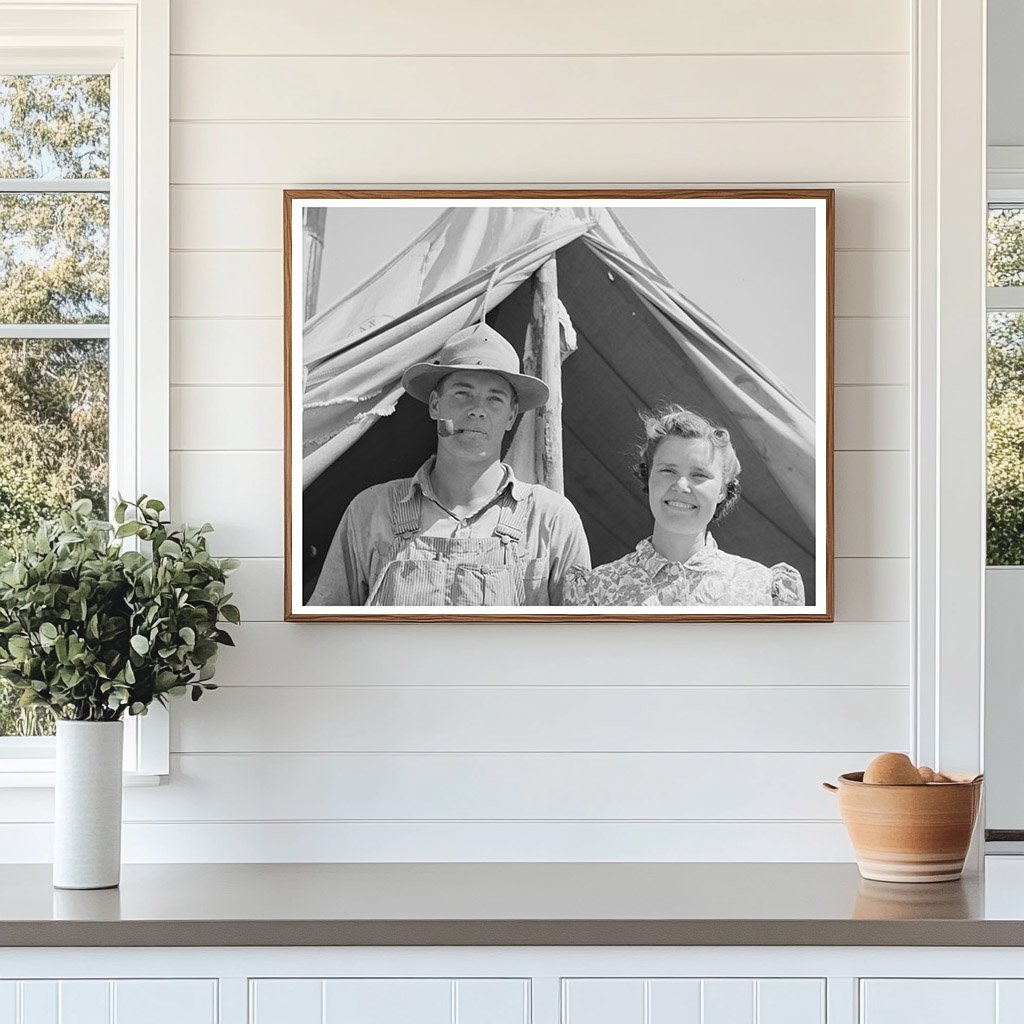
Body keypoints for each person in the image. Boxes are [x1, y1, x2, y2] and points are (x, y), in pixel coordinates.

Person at [309, 322, 591, 607]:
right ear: (435, 404)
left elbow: (580, 643)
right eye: (462, 393)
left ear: (511, 415)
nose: (477, 410)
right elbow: (325, 635)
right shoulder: (371, 513)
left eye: (495, 399)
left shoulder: (550, 520)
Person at [565, 404, 805, 607]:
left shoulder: (762, 588)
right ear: (648, 476)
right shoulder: (595, 589)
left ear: (722, 490)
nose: (681, 485)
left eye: (699, 475)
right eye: (668, 470)